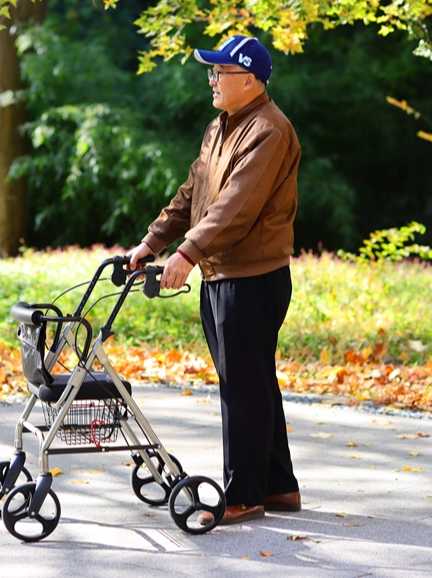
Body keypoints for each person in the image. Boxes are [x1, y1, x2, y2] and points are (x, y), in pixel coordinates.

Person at [128, 35, 302, 526]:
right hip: (223, 273)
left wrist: (187, 252)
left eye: (218, 73)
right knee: (251, 381)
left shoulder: (270, 130)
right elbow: (194, 192)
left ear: (248, 79)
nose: (211, 81)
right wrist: (153, 242)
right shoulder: (220, 127)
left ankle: (245, 495)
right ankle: (279, 484)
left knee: (242, 387)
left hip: (253, 276)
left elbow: (236, 207)